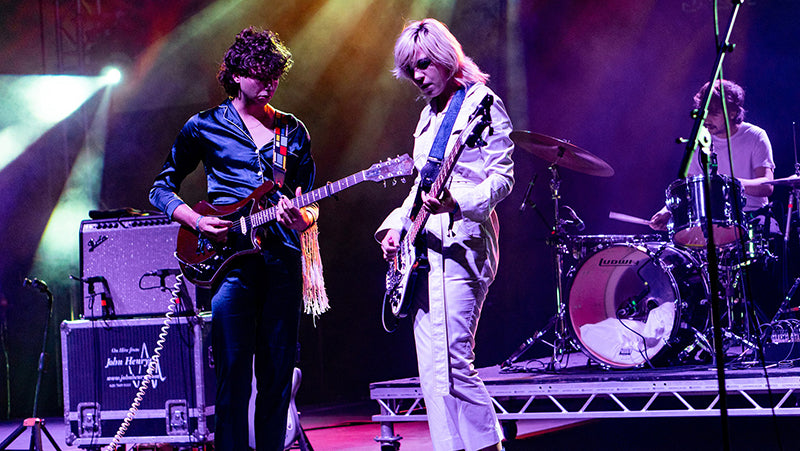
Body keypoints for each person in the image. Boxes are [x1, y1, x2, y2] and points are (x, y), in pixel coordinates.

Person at [149, 26, 326, 451]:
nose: (268, 84)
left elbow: (310, 202)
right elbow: (161, 187)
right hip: (229, 266)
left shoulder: (292, 130)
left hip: (282, 264)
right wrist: (192, 218)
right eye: (259, 74)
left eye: (275, 76)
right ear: (236, 73)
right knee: (232, 378)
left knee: (277, 378)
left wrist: (303, 219)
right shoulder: (203, 126)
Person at [376, 19, 514, 451]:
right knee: (432, 373)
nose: (416, 77)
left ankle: (490, 446)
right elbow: (421, 184)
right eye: (410, 70)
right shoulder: (426, 116)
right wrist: (396, 227)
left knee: (454, 361)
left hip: (463, 246)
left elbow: (502, 178)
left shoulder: (481, 104)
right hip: (422, 253)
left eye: (422, 66)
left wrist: (458, 202)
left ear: (444, 58)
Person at [650, 79, 775, 230]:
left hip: (754, 219)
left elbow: (767, 186)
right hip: (714, 222)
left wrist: (729, 184)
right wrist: (668, 210)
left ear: (733, 112)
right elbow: (689, 187)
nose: (707, 119)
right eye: (704, 112)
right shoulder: (700, 140)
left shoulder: (755, 136)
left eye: (714, 113)